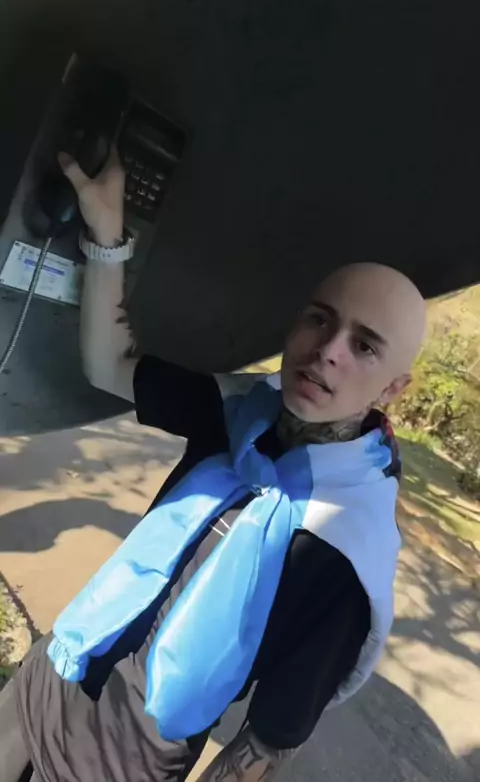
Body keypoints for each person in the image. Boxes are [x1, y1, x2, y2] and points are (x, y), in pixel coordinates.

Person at [0, 149, 426, 782]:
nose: (327, 351)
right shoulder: (241, 410)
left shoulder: (347, 548)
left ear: (393, 388)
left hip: (125, 761)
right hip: (53, 670)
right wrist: (107, 230)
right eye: (319, 319)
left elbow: (269, 741)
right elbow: (108, 364)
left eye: (364, 345)